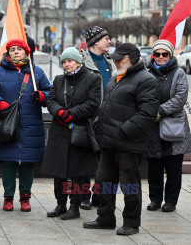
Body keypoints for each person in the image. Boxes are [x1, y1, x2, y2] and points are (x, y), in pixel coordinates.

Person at [83, 43, 160, 236]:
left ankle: (131, 223)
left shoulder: (146, 80)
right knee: (104, 182)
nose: (116, 60)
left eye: (120, 58)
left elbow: (147, 114)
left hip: (128, 143)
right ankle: (105, 218)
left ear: (132, 58)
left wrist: (124, 131)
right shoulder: (117, 77)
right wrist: (100, 125)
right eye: (114, 57)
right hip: (108, 142)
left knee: (129, 185)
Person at [0, 39, 51, 212]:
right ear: (8, 53)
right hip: (7, 125)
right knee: (9, 162)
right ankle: (8, 197)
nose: (15, 52)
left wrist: (42, 97)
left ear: (26, 52)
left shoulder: (37, 72)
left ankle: (25, 197)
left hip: (31, 125)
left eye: (19, 49)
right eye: (12, 49)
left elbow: (50, 93)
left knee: (28, 163)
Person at [41, 47, 101, 220]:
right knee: (58, 171)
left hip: (80, 131)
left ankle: (75, 206)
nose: (66, 64)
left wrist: (72, 113)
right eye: (64, 62)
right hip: (59, 130)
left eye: (70, 61)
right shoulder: (59, 80)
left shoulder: (92, 79)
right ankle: (61, 204)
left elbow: (93, 103)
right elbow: (51, 100)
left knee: (77, 172)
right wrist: (59, 112)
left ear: (78, 61)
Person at [145, 40, 191, 213]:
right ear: (153, 56)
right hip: (152, 127)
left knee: (173, 167)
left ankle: (171, 201)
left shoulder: (178, 73)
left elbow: (180, 97)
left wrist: (159, 112)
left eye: (165, 54)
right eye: (157, 54)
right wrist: (148, 112)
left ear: (170, 55)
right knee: (154, 166)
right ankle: (155, 199)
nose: (161, 57)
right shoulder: (147, 72)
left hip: (173, 126)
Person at [79, 26, 116, 210]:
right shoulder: (82, 61)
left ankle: (98, 195)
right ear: (94, 42)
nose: (109, 42)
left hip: (108, 118)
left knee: (105, 161)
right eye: (105, 39)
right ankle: (84, 196)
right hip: (88, 117)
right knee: (86, 160)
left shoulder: (111, 62)